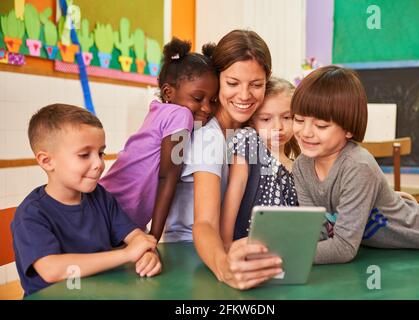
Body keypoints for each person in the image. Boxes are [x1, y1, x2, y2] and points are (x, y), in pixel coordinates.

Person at [291, 65, 419, 265]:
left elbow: (343, 248)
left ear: (348, 129)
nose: (305, 132)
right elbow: (317, 233)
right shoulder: (301, 167)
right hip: (392, 255)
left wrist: (287, 257)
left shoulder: (358, 165)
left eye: (321, 125)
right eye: (298, 119)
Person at [168, 29, 283, 290]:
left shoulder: (246, 133)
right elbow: (204, 223)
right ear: (217, 79)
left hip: (226, 247)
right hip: (189, 256)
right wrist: (224, 268)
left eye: (256, 85)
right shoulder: (209, 137)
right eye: (233, 83)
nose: (244, 96)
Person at [11, 104, 162, 297]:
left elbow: (135, 237)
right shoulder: (30, 214)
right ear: (47, 161)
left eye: (101, 153)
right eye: (84, 155)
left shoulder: (101, 197)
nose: (99, 164)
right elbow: (52, 269)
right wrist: (126, 254)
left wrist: (146, 254)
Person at [99, 38, 218, 241]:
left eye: (212, 100)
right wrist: (153, 237)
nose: (207, 108)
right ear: (168, 92)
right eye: (198, 98)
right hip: (110, 215)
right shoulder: (181, 116)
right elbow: (168, 176)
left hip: (109, 209)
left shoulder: (159, 111)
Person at [220, 77, 300, 248]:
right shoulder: (248, 141)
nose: (278, 126)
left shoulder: (298, 165)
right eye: (265, 119)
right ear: (252, 121)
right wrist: (226, 244)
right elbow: (235, 189)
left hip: (286, 249)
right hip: (245, 247)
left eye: (287, 117)